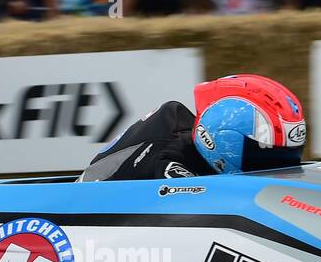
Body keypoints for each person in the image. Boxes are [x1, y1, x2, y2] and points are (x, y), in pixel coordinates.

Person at [81, 74, 306, 182]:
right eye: (269, 158)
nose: (279, 169)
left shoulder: (202, 151)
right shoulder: (170, 164)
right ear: (220, 142)